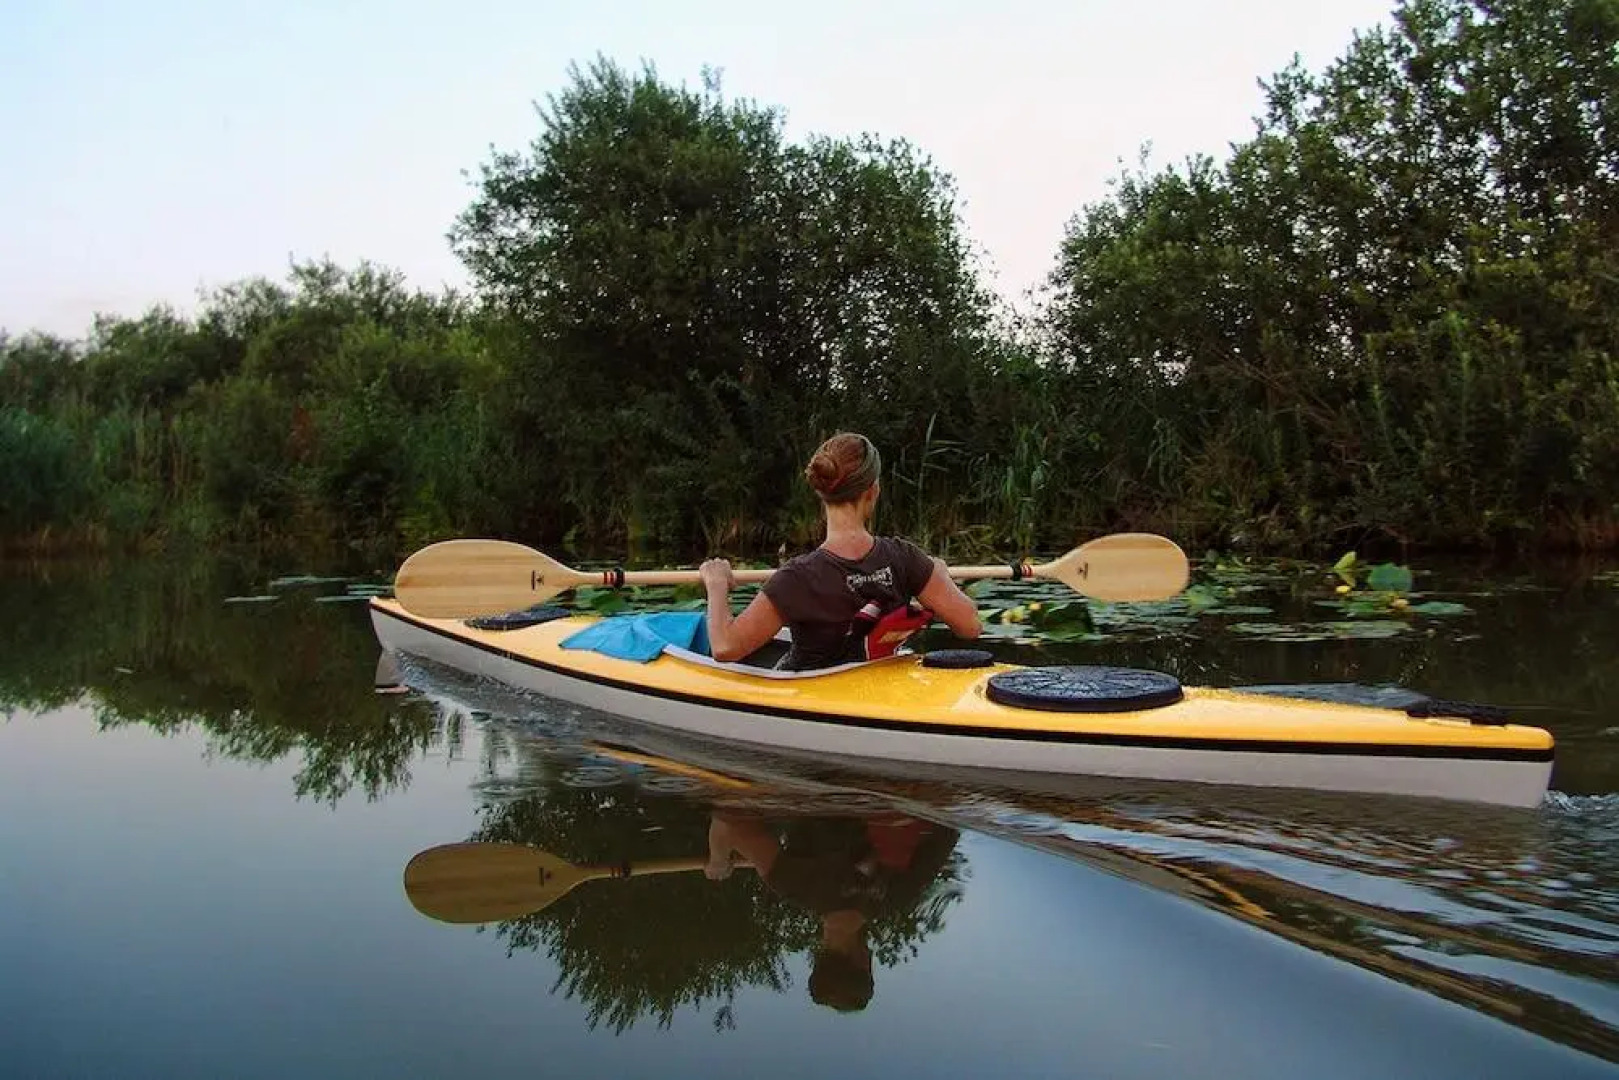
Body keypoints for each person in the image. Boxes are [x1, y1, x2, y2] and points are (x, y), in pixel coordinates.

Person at [699, 432, 983, 669]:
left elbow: (725, 647)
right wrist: (939, 577)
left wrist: (716, 584)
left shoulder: (798, 577)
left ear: (821, 493)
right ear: (873, 490)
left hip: (816, 695)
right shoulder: (905, 558)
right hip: (875, 693)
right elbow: (970, 625)